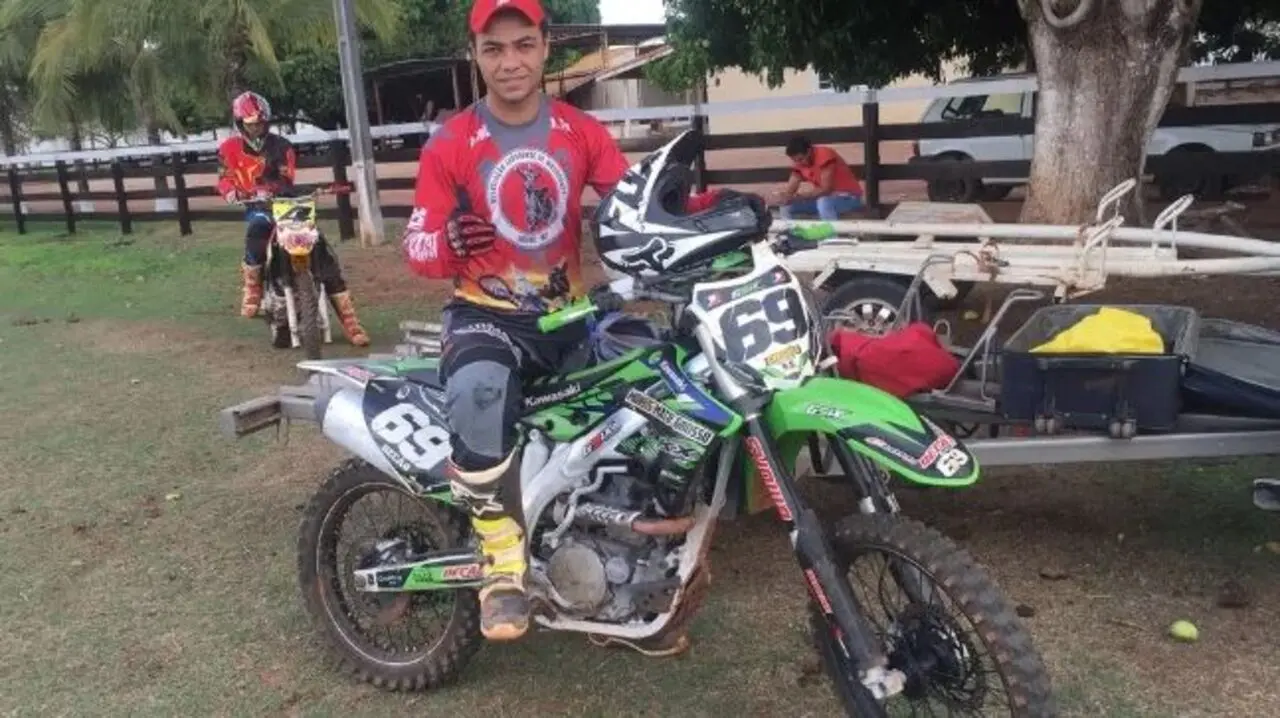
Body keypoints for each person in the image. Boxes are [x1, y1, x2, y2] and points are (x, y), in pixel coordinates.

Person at [401, 0, 722, 653]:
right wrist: (450, 242)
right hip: (485, 317)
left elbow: (636, 208)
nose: (510, 62)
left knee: (650, 402)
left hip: (570, 318)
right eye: (494, 49)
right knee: (480, 390)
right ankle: (501, 566)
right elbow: (417, 247)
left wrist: (708, 219)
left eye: (523, 45)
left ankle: (628, 592)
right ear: (475, 55)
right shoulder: (450, 143)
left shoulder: (580, 132)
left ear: (546, 48)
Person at [217, 91, 369, 347]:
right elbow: (224, 178)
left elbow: (286, 178)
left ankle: (351, 322)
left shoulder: (282, 145)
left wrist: (273, 188)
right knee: (257, 229)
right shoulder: (228, 149)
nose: (256, 128)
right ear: (240, 123)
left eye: (260, 123)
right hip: (256, 206)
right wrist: (231, 192)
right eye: (250, 123)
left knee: (320, 247)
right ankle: (253, 286)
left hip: (285, 202)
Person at [770, 135, 865, 220]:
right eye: (795, 161)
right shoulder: (800, 162)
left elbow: (826, 189)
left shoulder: (824, 154)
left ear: (809, 151)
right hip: (823, 200)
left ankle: (830, 234)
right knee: (786, 205)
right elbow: (791, 188)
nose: (798, 163)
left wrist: (800, 196)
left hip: (849, 198)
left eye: (800, 159)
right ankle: (790, 234)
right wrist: (785, 196)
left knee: (824, 202)